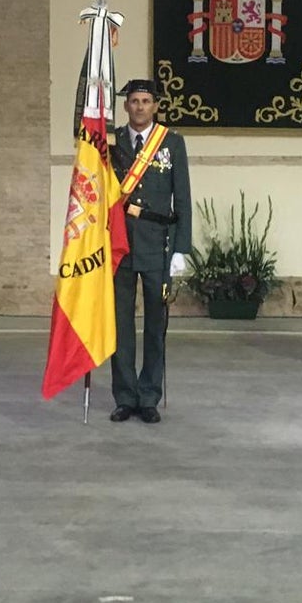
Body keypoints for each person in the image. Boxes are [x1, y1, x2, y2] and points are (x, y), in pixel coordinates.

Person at [108, 79, 192, 423]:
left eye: (146, 101)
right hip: (119, 243)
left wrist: (181, 249)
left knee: (156, 325)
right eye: (134, 101)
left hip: (159, 242)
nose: (140, 107)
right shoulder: (111, 142)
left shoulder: (172, 142)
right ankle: (125, 396)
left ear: (155, 106)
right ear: (126, 106)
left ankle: (149, 396)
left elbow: (182, 197)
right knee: (120, 324)